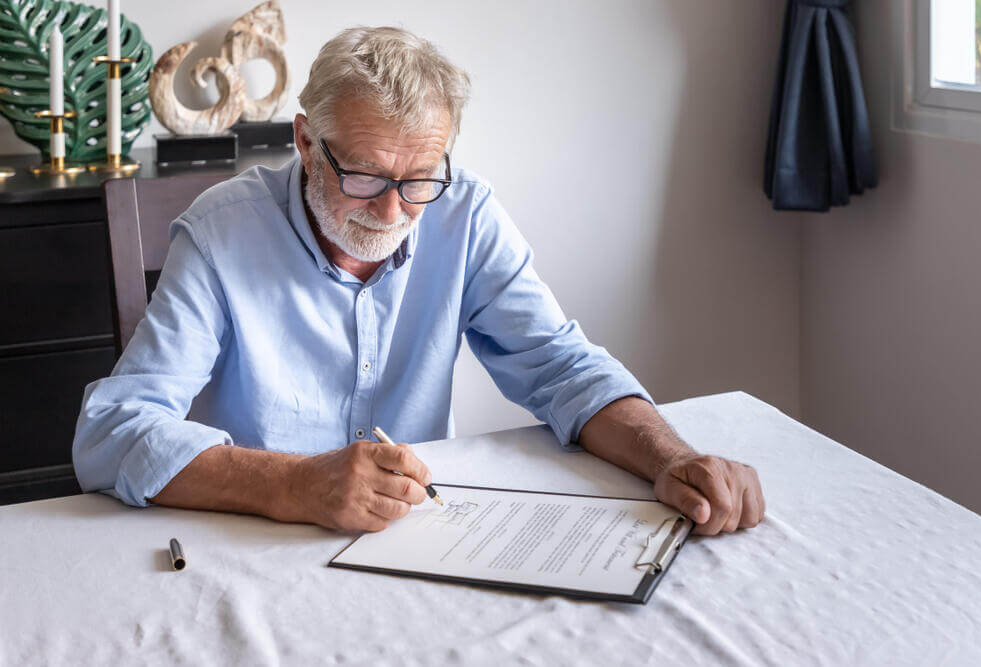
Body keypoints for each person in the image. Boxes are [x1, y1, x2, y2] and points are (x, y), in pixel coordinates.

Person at [73, 26, 764, 537]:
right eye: (367, 176)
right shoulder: (221, 233)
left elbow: (563, 368)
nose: (394, 210)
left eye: (420, 180)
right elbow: (111, 431)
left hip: (413, 542)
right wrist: (293, 482)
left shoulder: (464, 213)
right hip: (248, 539)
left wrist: (671, 458)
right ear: (307, 143)